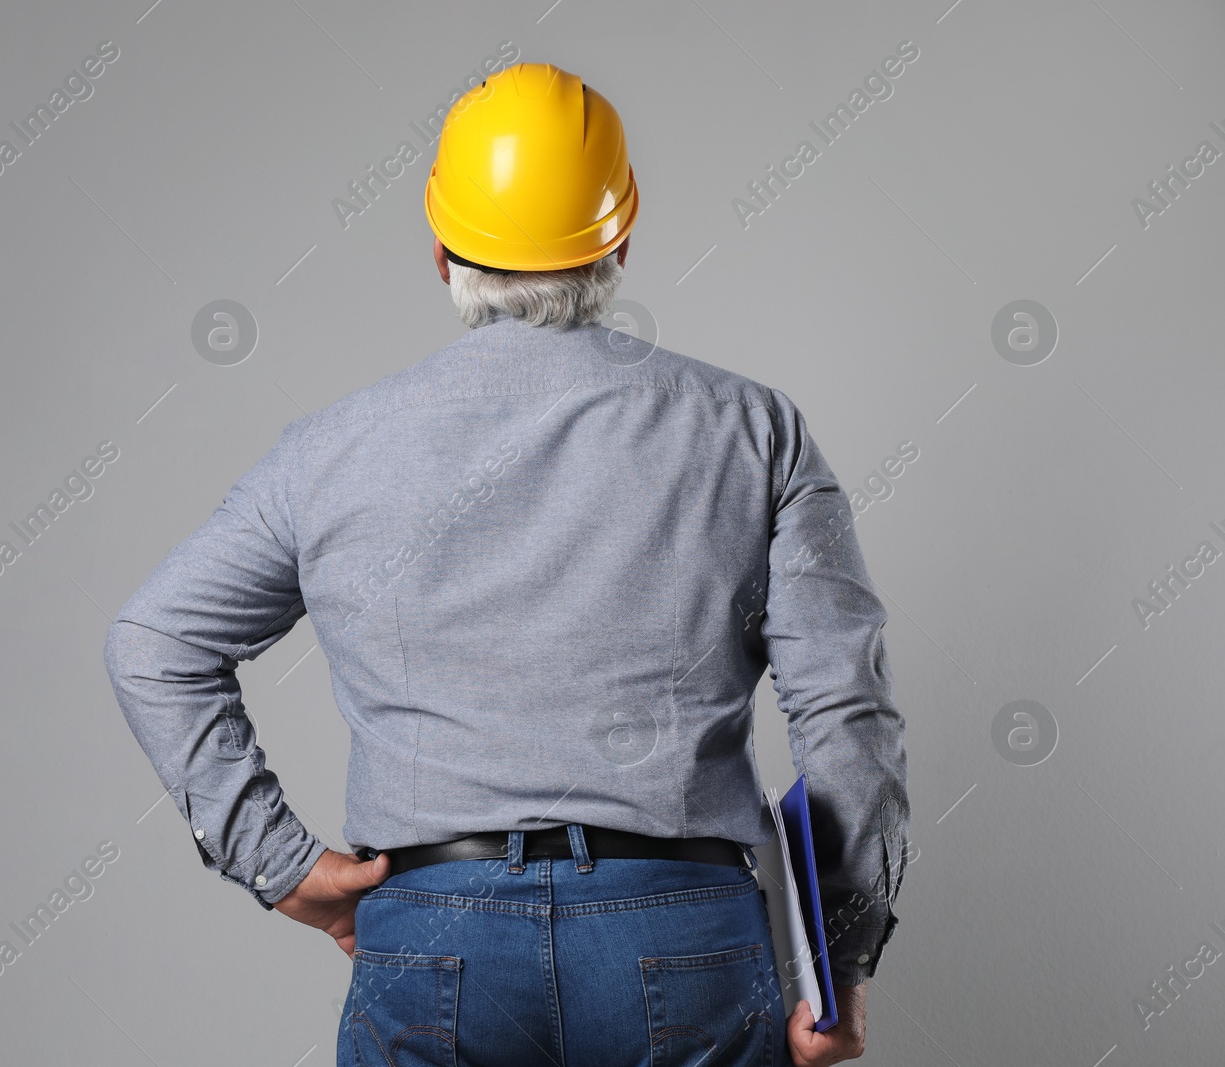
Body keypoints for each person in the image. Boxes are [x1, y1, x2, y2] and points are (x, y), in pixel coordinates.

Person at [103, 61, 909, 1067]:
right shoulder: (752, 431)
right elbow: (845, 712)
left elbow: (155, 640)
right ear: (617, 241)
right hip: (679, 936)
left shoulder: (330, 450)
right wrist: (840, 960)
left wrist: (280, 864)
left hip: (436, 942)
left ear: (441, 252)